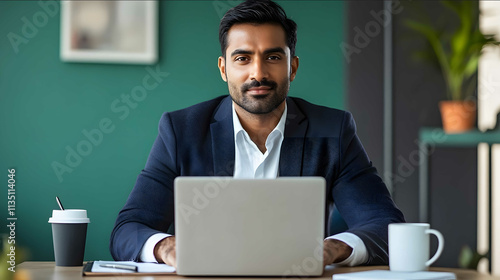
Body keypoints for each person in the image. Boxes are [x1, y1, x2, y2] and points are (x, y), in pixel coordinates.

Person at [110, 0, 405, 268]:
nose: (258, 73)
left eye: (273, 57)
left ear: (293, 67)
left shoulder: (333, 130)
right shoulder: (181, 131)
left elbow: (384, 225)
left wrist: (335, 247)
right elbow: (128, 229)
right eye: (243, 58)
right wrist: (165, 246)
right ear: (224, 69)